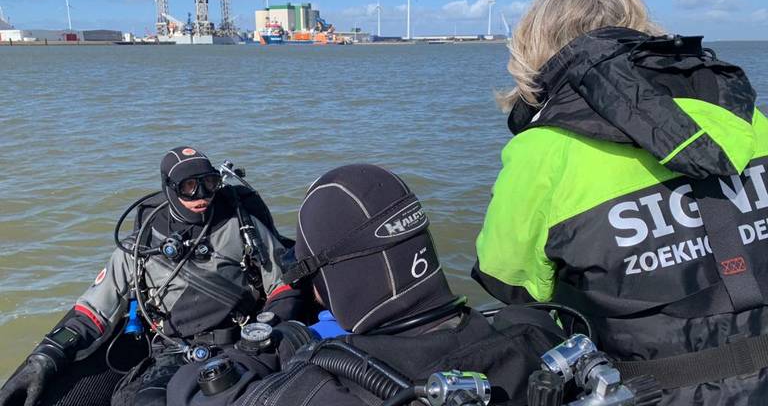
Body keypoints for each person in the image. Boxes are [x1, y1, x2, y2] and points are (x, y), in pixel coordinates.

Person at [472, 0, 768, 404]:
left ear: (533, 51)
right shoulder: (743, 114)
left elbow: (508, 280)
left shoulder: (544, 149)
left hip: (646, 388)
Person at [167, 164, 564, 406]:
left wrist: (263, 349)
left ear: (330, 274)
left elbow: (188, 391)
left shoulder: (325, 384)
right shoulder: (535, 330)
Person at [0, 146, 303, 406]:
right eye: (188, 187)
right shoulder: (139, 245)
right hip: (172, 351)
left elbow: (281, 286)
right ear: (169, 187)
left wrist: (265, 331)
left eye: (209, 183)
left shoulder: (243, 227)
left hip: (237, 344)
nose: (202, 196)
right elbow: (92, 313)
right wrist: (46, 356)